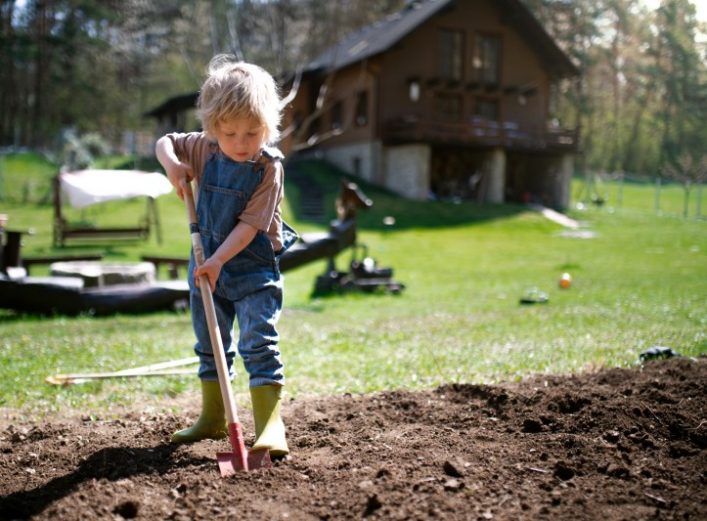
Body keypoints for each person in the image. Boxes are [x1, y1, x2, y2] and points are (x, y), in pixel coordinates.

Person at [155, 55, 297, 458]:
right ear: (213, 127)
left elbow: (250, 225)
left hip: (250, 269)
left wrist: (218, 261)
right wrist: (173, 167)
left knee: (258, 342)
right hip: (205, 268)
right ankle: (213, 418)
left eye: (252, 133)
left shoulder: (268, 167)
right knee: (210, 343)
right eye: (229, 133)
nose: (240, 143)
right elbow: (164, 142)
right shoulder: (203, 149)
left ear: (268, 127)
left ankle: (270, 427)